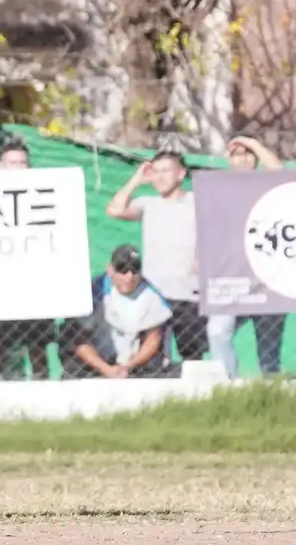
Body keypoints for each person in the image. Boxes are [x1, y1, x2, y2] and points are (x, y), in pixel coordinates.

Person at [105, 150, 206, 363]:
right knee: (154, 358)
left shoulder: (197, 202)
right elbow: (114, 210)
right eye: (156, 172)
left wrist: (206, 258)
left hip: (188, 293)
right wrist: (136, 179)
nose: (160, 177)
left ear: (181, 174)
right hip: (154, 295)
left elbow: (222, 232)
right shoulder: (147, 203)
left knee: (193, 357)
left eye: (166, 171)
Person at [207, 136, 287, 376]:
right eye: (237, 153)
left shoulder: (267, 185)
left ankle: (270, 394)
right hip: (231, 276)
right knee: (218, 330)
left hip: (266, 276)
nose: (242, 158)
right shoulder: (217, 187)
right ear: (228, 159)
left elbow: (279, 171)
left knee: (268, 349)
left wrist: (252, 142)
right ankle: (227, 384)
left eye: (247, 153)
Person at [0, 139, 57, 379]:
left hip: (34, 285)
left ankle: (44, 397)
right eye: (11, 163)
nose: (18, 168)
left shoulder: (44, 198)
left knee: (38, 348)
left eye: (23, 163)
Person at [59, 245, 174, 379]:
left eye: (134, 270)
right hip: (100, 358)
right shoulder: (96, 292)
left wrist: (128, 366)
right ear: (110, 269)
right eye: (123, 270)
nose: (129, 277)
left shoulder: (151, 295)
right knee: (69, 347)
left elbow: (153, 339)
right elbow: (78, 340)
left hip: (134, 360)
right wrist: (106, 369)